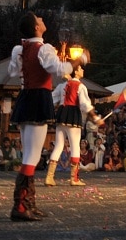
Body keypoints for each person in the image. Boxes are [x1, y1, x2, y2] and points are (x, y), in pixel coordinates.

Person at [6, 12, 77, 221]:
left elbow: (12, 72)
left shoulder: (19, 49)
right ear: (36, 28)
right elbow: (58, 69)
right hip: (39, 98)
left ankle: (28, 203)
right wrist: (78, 61)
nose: (43, 20)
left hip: (25, 96)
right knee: (32, 156)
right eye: (39, 19)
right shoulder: (44, 48)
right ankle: (20, 206)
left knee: (30, 153)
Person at [44, 58, 104, 187]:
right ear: (76, 72)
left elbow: (51, 100)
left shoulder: (61, 86)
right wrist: (96, 118)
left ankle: (49, 177)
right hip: (73, 115)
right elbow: (84, 105)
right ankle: (74, 178)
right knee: (75, 145)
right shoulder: (80, 86)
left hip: (61, 114)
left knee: (59, 145)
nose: (82, 70)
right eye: (81, 69)